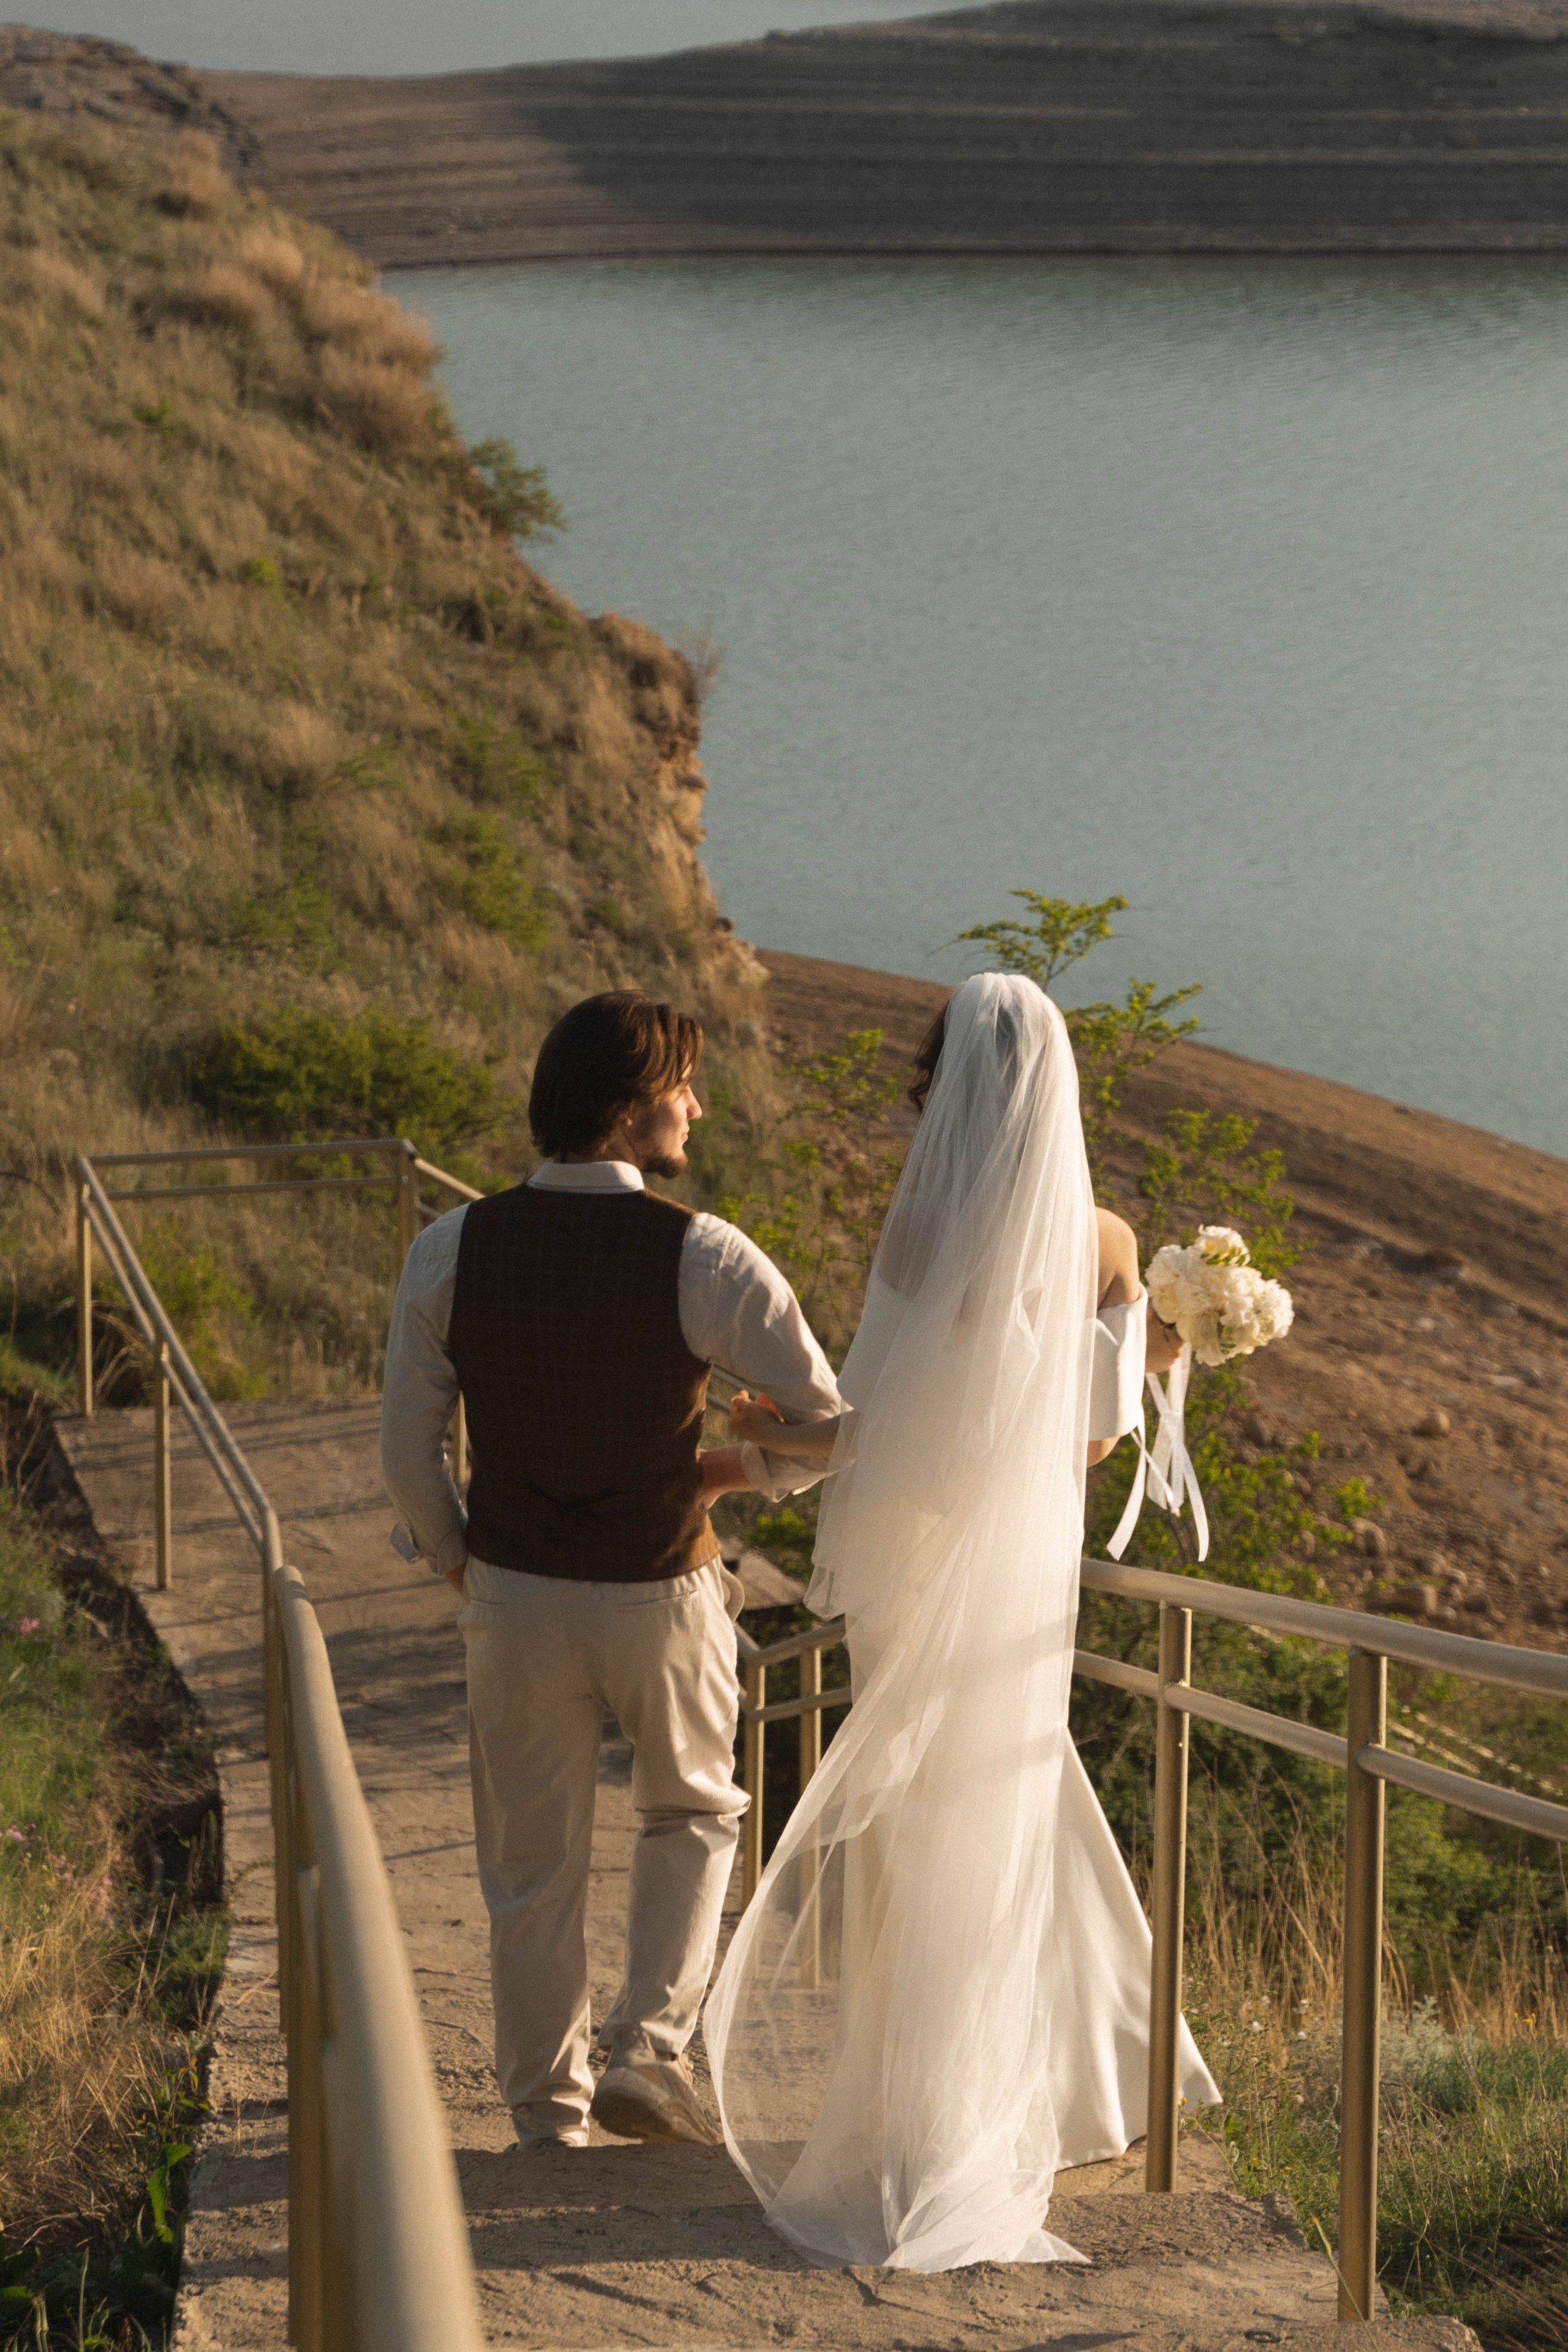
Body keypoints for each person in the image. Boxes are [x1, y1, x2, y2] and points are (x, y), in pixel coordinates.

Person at [702, 972, 1219, 2269]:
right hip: (1017, 1584)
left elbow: (875, 1419)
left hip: (916, 1574)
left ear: (950, 1089)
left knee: (930, 1838)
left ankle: (935, 2117)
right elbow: (1088, 1442)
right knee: (1001, 1814)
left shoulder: (920, 1226)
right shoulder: (1103, 1240)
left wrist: (778, 1447)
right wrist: (1160, 1352)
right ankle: (1021, 2107)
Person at [380, 992, 840, 2151]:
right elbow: (834, 1424)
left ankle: (547, 2113)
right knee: (691, 1813)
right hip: (662, 1587)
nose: (696, 1104)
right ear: (633, 1110)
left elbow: (404, 1450)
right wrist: (746, 1466)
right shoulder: (704, 1252)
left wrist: (459, 1563)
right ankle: (651, 2051)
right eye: (682, 1086)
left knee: (530, 1861)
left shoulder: (453, 1245)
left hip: (516, 1594)